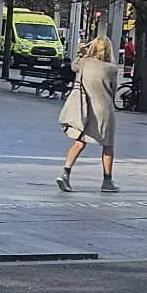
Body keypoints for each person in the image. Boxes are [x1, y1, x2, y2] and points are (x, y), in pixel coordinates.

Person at [56, 36, 118, 191]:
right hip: (104, 110)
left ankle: (66, 173)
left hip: (84, 107)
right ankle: (107, 181)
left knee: (80, 141)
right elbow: (113, 90)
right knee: (107, 145)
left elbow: (73, 67)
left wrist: (81, 53)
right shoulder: (110, 69)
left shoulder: (84, 63)